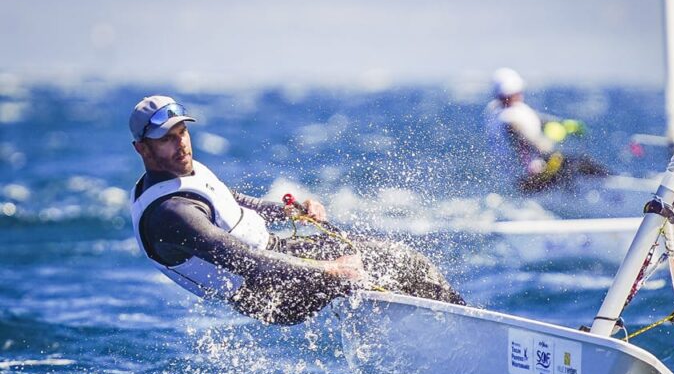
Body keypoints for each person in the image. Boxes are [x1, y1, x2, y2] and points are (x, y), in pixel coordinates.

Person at [128, 95, 464, 325]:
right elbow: (246, 260)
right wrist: (329, 271)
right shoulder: (170, 213)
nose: (181, 143)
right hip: (266, 289)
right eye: (166, 139)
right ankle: (460, 328)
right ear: (142, 148)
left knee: (398, 259)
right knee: (387, 263)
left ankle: (445, 323)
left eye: (182, 132)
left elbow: (229, 201)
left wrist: (291, 212)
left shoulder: (181, 172)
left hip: (280, 258)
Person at [484, 68, 604, 193]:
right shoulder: (511, 121)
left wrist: (564, 124)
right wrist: (553, 137)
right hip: (531, 180)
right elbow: (540, 147)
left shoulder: (494, 110)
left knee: (564, 162)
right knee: (578, 162)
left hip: (518, 180)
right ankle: (609, 186)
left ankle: (574, 190)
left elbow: (534, 119)